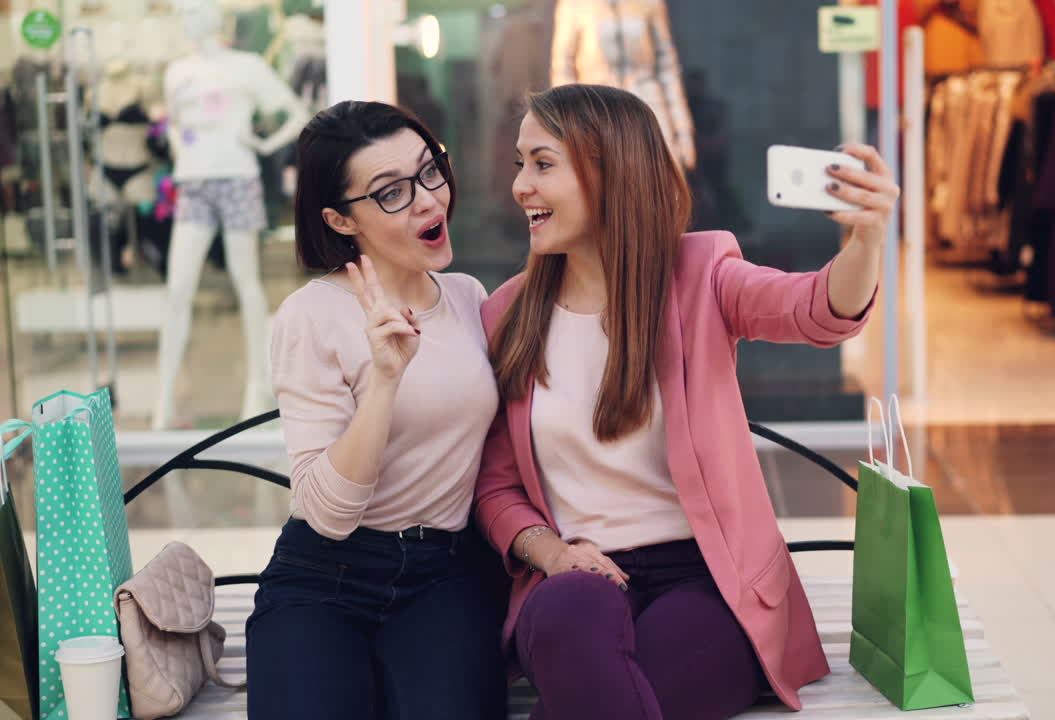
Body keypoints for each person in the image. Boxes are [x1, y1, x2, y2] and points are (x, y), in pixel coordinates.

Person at [475, 83, 896, 718]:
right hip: (575, 576)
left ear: (607, 169)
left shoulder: (701, 275)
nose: (520, 187)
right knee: (569, 619)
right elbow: (496, 488)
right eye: (520, 164)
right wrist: (552, 554)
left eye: (542, 164)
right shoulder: (505, 316)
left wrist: (864, 241)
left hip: (705, 582)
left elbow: (815, 309)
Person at [244, 101, 506, 720]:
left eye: (430, 171)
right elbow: (328, 515)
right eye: (391, 193)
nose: (427, 200)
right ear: (339, 218)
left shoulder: (471, 300)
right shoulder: (313, 315)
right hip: (326, 575)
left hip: (447, 577)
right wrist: (385, 382)